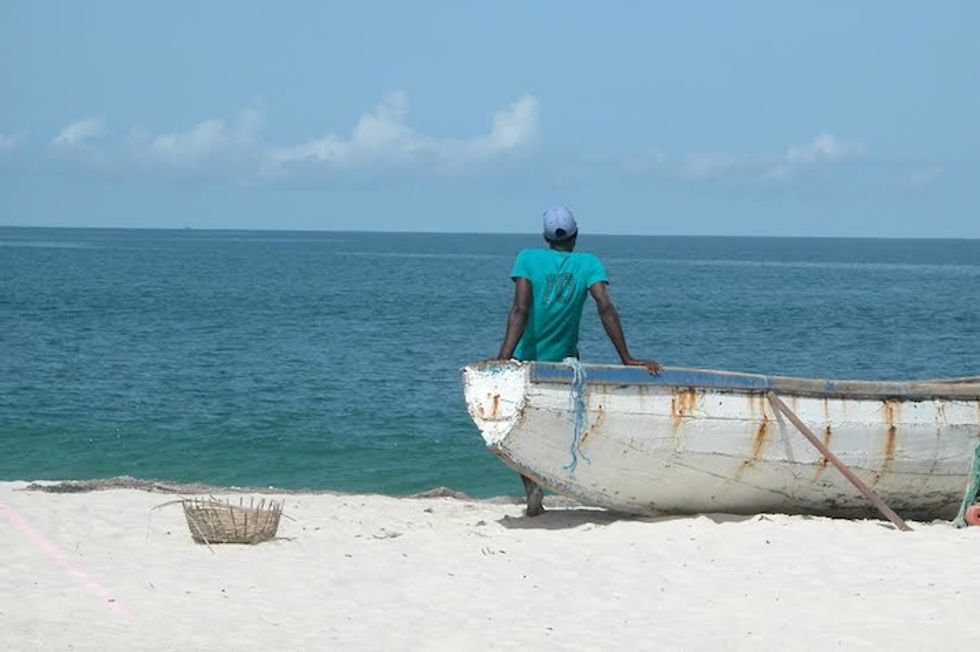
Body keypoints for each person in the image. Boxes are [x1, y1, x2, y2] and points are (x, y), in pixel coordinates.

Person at [492, 206, 661, 516]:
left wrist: (503, 358)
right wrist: (627, 358)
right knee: (557, 427)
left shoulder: (527, 259)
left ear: (545, 237)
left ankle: (531, 487)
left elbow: (520, 310)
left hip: (526, 364)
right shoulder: (589, 264)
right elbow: (605, 307)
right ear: (576, 234)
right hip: (565, 367)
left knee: (519, 429)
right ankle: (559, 480)